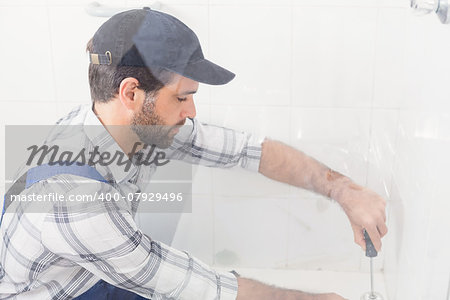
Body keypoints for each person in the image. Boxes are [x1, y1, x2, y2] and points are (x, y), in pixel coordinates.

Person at [0, 8, 387, 300]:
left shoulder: (130, 123)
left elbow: (248, 151)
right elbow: (192, 284)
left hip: (94, 271)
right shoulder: (74, 199)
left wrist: (345, 191)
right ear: (131, 93)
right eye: (182, 97)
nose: (191, 112)